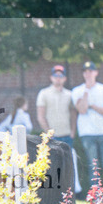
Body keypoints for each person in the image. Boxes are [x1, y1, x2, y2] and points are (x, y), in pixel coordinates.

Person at [72, 61, 103, 204]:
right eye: (85, 71)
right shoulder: (77, 91)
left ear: (96, 73)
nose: (88, 73)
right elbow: (81, 109)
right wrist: (86, 95)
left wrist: (93, 105)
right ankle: (96, 199)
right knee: (93, 167)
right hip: (87, 134)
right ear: (83, 74)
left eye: (91, 71)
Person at [37, 64, 82, 195]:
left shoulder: (70, 94)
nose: (58, 78)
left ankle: (70, 193)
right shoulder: (44, 93)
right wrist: (48, 134)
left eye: (60, 76)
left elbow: (73, 114)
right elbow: (40, 116)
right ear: (51, 77)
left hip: (67, 135)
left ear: (64, 78)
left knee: (69, 167)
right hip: (52, 137)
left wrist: (73, 131)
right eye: (55, 75)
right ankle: (54, 194)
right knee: (53, 166)